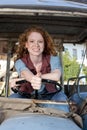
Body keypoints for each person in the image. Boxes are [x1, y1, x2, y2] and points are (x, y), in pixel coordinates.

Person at [10, 25, 69, 112]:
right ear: (26, 44)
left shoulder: (53, 58)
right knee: (11, 101)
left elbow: (56, 75)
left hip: (51, 95)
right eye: (32, 41)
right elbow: (24, 72)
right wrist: (33, 79)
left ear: (44, 44)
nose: (36, 45)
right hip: (26, 96)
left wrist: (39, 77)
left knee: (62, 101)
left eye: (40, 42)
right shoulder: (20, 62)